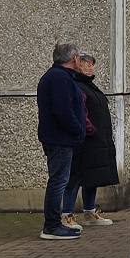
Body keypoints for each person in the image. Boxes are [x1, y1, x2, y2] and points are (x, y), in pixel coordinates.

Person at [36, 42, 87, 240]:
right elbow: (63, 110)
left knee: (59, 179)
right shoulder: (60, 78)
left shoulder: (57, 76)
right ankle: (52, 225)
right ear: (74, 59)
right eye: (79, 58)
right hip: (60, 139)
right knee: (58, 180)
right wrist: (78, 130)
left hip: (58, 137)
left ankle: (53, 224)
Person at [64, 51, 119, 226]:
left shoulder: (90, 86)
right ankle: (67, 214)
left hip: (96, 140)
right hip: (84, 140)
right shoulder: (77, 86)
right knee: (75, 177)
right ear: (77, 65)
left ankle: (89, 211)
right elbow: (79, 111)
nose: (89, 67)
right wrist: (90, 130)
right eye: (85, 64)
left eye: (92, 64)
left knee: (92, 176)